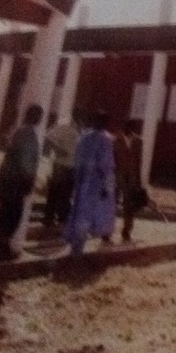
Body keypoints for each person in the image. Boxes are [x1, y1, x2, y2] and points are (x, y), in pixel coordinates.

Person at [0, 104, 44, 262]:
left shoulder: (20, 131)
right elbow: (25, 163)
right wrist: (31, 180)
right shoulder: (27, 134)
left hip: (9, 181)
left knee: (6, 216)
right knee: (11, 217)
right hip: (15, 183)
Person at [63, 109, 117, 255]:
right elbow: (106, 165)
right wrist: (108, 185)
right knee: (91, 213)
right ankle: (79, 246)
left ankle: (75, 243)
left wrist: (77, 176)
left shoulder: (84, 137)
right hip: (96, 181)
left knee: (79, 210)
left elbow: (77, 158)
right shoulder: (105, 140)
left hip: (82, 179)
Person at [41, 108, 84, 228]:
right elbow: (48, 138)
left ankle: (62, 217)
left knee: (67, 193)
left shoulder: (80, 129)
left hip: (73, 166)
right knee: (55, 192)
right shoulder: (63, 125)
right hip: (61, 164)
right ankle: (48, 218)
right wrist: (59, 150)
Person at [113, 119, 144, 242]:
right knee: (113, 203)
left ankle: (127, 230)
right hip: (117, 176)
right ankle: (107, 229)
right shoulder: (116, 140)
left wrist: (138, 181)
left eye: (130, 127)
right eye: (126, 127)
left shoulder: (138, 141)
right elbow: (113, 157)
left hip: (131, 177)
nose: (128, 130)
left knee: (129, 205)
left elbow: (138, 162)